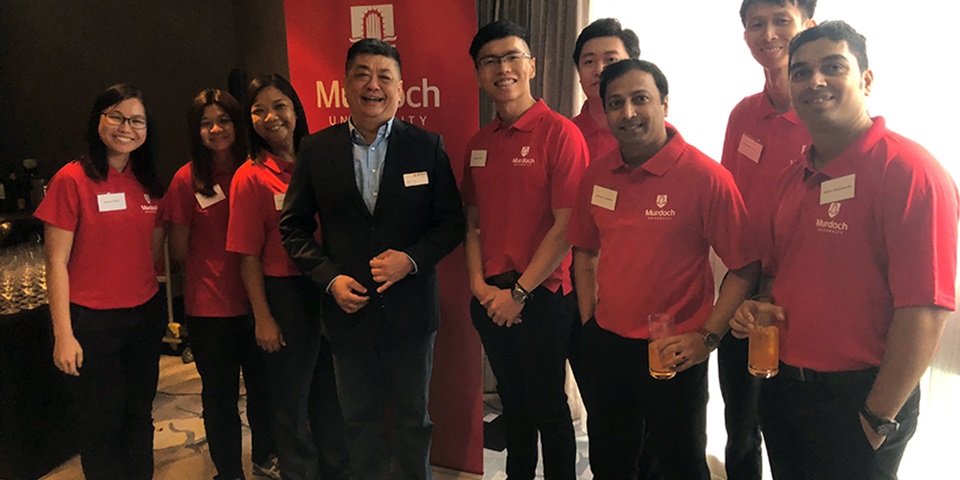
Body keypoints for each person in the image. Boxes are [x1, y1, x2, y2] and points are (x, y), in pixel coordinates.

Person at [731, 20, 958, 479]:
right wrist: (756, 309)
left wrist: (877, 417)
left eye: (833, 67)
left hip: (862, 398)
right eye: (801, 72)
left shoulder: (910, 172)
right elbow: (780, 279)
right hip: (784, 389)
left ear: (866, 79)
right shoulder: (792, 179)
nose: (815, 81)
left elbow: (926, 309)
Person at [279, 38, 464, 480]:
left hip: (412, 313)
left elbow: (451, 223)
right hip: (348, 313)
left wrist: (412, 260)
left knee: (412, 422)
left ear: (401, 90)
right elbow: (293, 226)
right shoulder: (316, 150)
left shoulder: (427, 146)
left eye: (385, 76)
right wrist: (329, 279)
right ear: (344, 85)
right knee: (358, 423)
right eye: (362, 74)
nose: (373, 85)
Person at [567, 59, 760, 480]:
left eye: (640, 99)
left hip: (675, 352)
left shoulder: (706, 177)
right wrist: (588, 327)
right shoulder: (597, 175)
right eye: (616, 103)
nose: (628, 113)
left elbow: (745, 267)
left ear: (665, 104)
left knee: (680, 467)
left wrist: (707, 337)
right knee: (611, 464)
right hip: (607, 347)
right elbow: (584, 254)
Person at [462, 19, 588, 480]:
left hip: (542, 296)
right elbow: (471, 223)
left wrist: (517, 294)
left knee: (549, 408)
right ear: (478, 74)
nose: (503, 68)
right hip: (490, 298)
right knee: (513, 405)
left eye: (512, 56)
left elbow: (567, 225)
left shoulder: (560, 134)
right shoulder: (478, 144)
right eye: (489, 61)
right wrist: (478, 286)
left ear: (532, 66)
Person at [37, 83, 166, 479]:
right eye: (117, 116)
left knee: (139, 412)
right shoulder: (71, 180)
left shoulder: (148, 182)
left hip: (143, 315)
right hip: (91, 322)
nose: (126, 127)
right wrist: (63, 334)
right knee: (101, 420)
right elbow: (55, 263)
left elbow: (155, 250)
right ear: (99, 120)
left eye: (137, 120)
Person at [226, 74, 349, 480]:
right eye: (258, 110)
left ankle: (335, 470)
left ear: (295, 108)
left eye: (279, 105)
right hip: (283, 294)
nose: (270, 117)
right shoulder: (250, 175)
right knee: (290, 399)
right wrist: (262, 317)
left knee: (329, 393)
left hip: (327, 286)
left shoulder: (320, 158)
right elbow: (246, 256)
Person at [718, 2, 816, 478]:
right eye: (757, 24)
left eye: (782, 20)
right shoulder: (742, 116)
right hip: (744, 295)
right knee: (740, 426)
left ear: (807, 27)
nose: (769, 33)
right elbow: (731, 207)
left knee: (792, 428)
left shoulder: (825, 117)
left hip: (801, 303)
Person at [167, 88, 276, 479]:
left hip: (261, 301)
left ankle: (266, 456)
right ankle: (229, 471)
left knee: (265, 391)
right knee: (219, 397)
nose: (215, 129)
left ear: (239, 122)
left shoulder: (260, 168)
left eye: (224, 120)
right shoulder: (187, 179)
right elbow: (178, 246)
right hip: (210, 306)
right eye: (205, 123)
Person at [571, 18, 640, 163]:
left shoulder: (653, 133)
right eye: (589, 62)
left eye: (611, 60)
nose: (599, 70)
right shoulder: (564, 136)